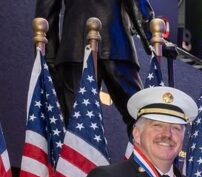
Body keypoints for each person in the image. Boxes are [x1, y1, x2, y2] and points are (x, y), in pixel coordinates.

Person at [35, 0, 154, 129]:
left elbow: (45, 16)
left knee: (78, 130)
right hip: (115, 42)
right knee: (142, 118)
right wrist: (152, 38)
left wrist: (49, 62)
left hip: (76, 47)